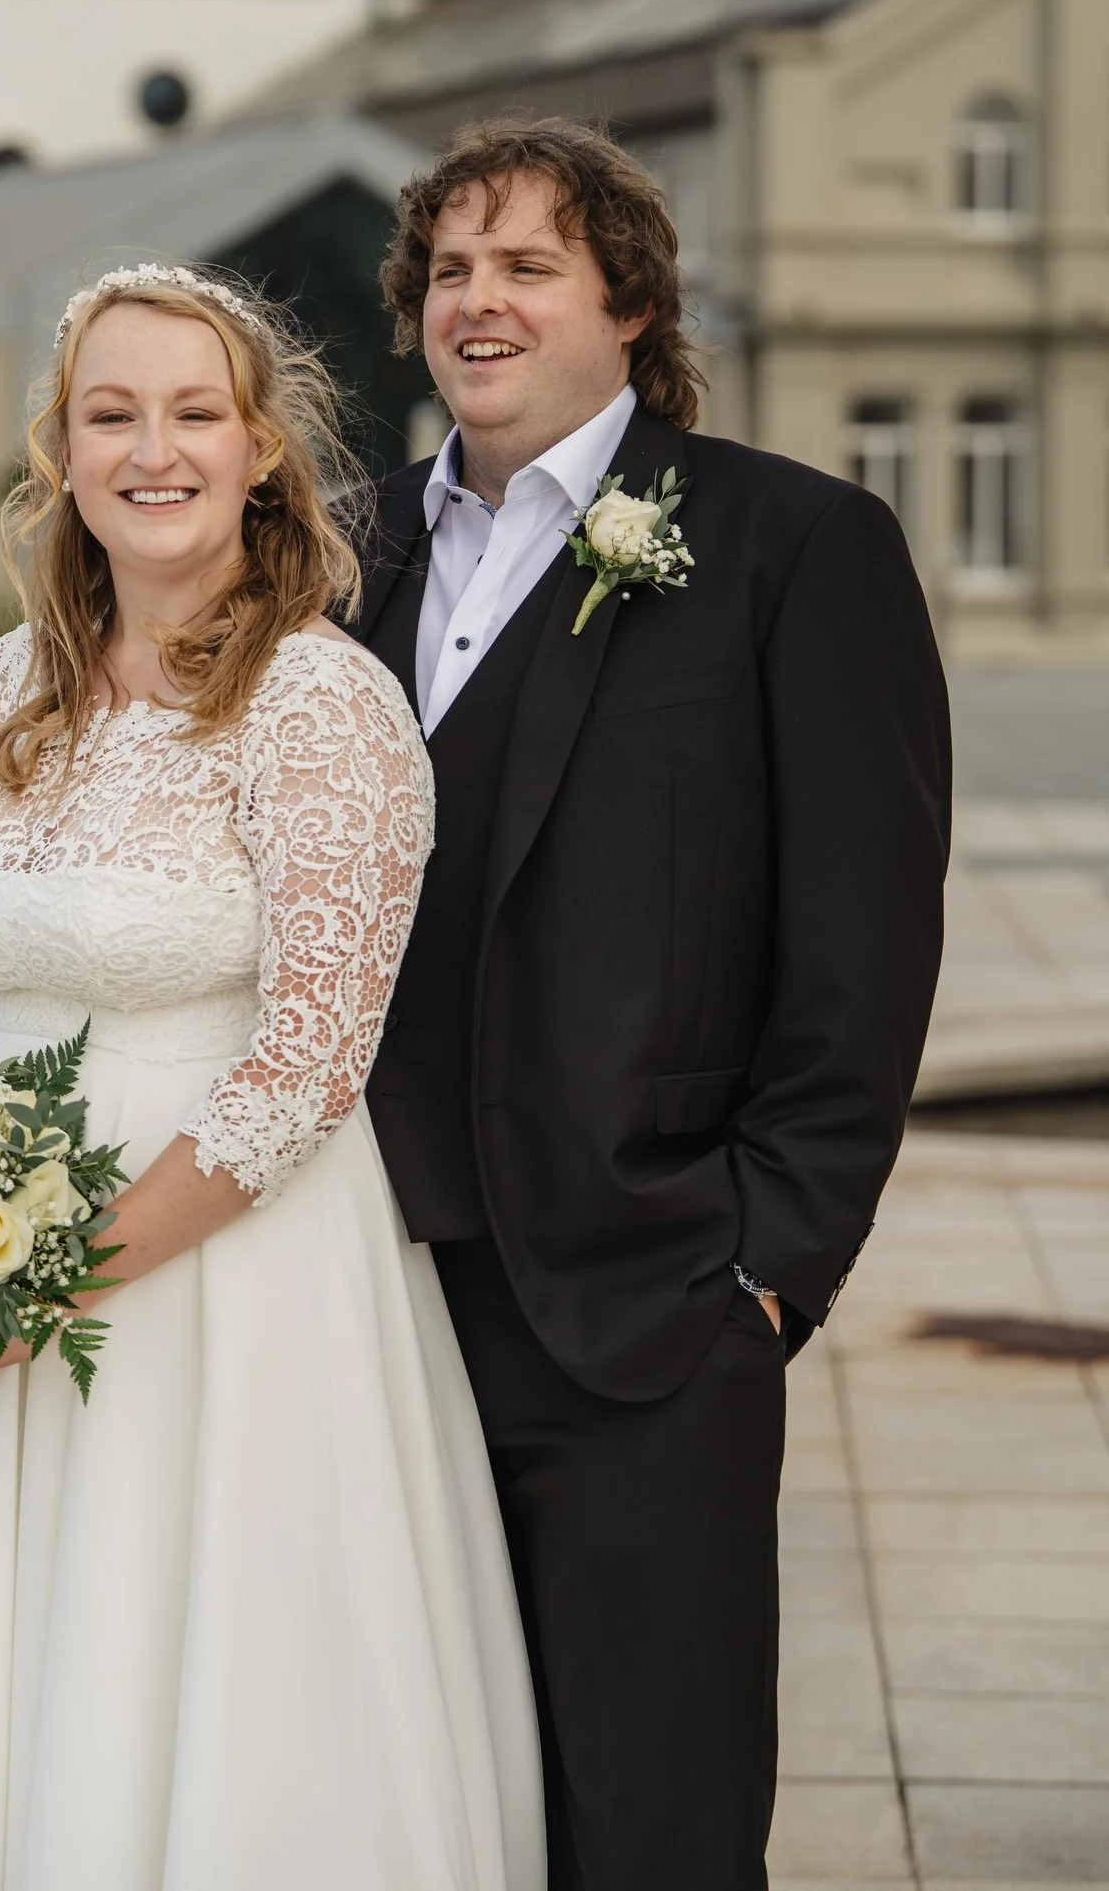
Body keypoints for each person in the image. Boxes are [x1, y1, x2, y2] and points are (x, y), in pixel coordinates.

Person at [0, 265, 545, 1891]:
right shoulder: (5, 684)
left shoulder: (323, 704)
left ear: (263, 451)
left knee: (215, 1661)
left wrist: (58, 1273)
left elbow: (310, 1059)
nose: (158, 448)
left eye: (196, 412)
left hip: (234, 1275)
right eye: (113, 413)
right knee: (23, 1661)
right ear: (62, 451)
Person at [359, 118, 952, 1891]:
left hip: (648, 1302)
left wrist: (771, 1258)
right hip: (361, 1309)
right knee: (418, 1806)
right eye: (451, 270)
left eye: (527, 264)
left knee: (653, 1820)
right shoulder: (336, 543)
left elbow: (865, 938)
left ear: (628, 300)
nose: (481, 300)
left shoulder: (796, 545)